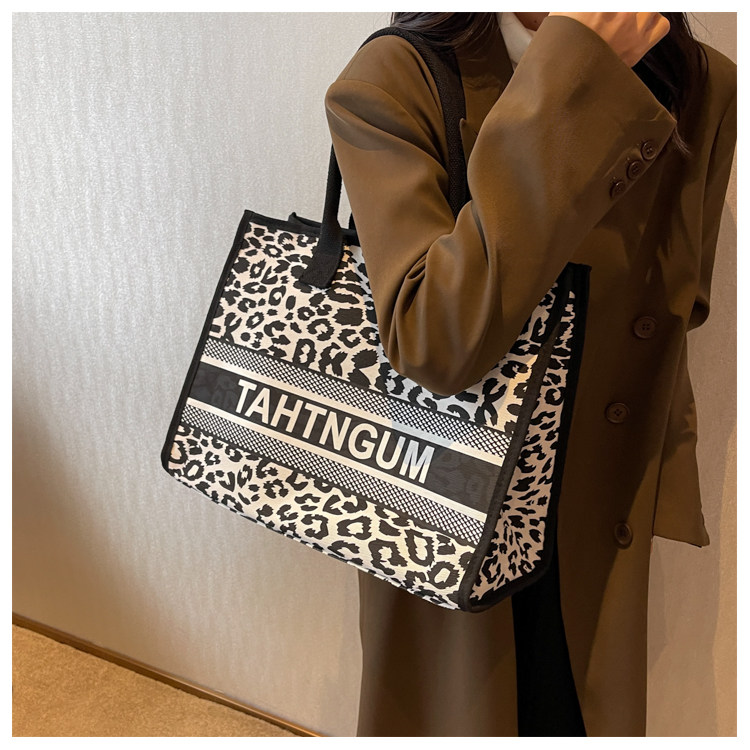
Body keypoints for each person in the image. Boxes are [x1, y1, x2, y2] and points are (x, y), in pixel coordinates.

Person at [324, 12, 736, 737]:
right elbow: (434, 341)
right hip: (444, 495)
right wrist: (575, 72)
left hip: (597, 503)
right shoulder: (398, 76)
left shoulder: (700, 81)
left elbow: (675, 304)